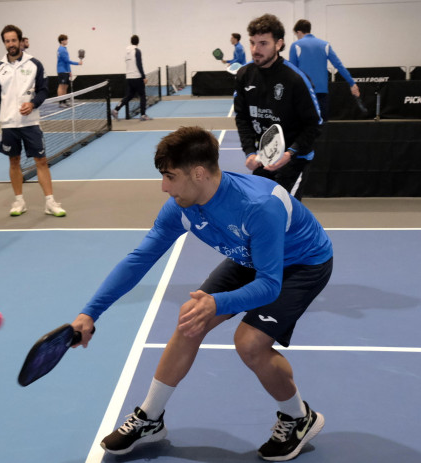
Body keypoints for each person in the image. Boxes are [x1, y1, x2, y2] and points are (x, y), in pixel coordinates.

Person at [71, 126, 333, 461]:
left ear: (198, 173)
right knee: (189, 320)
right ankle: (150, 418)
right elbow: (139, 259)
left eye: (169, 176)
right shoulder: (181, 206)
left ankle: (299, 417)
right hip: (248, 254)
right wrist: (90, 312)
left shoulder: (260, 205)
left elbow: (270, 284)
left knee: (250, 343)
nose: (164, 187)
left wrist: (217, 302)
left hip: (301, 264)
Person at [234, 14, 322, 200]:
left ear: (279, 44)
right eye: (252, 43)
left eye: (263, 43)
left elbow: (314, 124)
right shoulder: (244, 75)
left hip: (295, 159)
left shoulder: (296, 79)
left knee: (283, 212)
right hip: (264, 158)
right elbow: (242, 117)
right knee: (260, 209)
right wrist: (250, 151)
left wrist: (290, 154)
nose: (255, 49)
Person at [0, 25, 66, 217]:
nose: (11, 44)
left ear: (21, 41)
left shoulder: (34, 64)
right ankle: (19, 201)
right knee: (13, 161)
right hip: (8, 125)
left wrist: (32, 104)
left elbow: (43, 90)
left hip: (30, 123)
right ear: (4, 43)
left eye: (14, 40)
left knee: (41, 160)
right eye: (7, 41)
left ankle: (50, 202)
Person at [289, 19, 360, 121]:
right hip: (322, 93)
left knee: (304, 127)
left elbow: (292, 71)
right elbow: (338, 65)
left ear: (299, 32)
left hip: (304, 93)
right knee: (321, 127)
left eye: (296, 34)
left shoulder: (296, 45)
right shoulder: (325, 45)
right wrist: (352, 83)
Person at [111, 35, 152, 121]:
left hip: (129, 77)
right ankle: (143, 115)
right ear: (138, 42)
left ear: (131, 41)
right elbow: (139, 64)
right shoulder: (137, 51)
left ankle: (115, 110)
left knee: (129, 96)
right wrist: (143, 77)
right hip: (137, 77)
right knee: (142, 95)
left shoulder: (127, 51)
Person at [56, 34, 82, 106]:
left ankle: (64, 101)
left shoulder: (64, 49)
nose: (67, 41)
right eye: (65, 40)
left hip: (66, 70)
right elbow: (67, 61)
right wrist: (78, 63)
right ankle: (61, 102)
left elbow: (67, 63)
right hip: (62, 70)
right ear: (62, 41)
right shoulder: (61, 50)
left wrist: (69, 71)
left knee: (65, 86)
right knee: (61, 86)